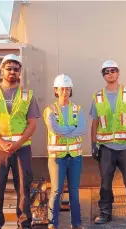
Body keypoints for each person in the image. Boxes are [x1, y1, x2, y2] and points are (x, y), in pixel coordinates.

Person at [0, 54, 41, 229]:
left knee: (24, 189)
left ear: (20, 72)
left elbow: (32, 123)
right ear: (2, 70)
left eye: (16, 69)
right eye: (9, 68)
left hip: (22, 149)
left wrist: (17, 144)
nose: (12, 71)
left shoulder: (27, 95)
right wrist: (1, 142)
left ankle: (24, 224)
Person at [90, 59, 126, 225]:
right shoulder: (98, 96)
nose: (110, 74)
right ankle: (105, 212)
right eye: (106, 72)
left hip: (125, 148)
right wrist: (93, 144)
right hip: (106, 148)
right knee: (105, 183)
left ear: (118, 72)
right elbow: (94, 122)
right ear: (103, 75)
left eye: (113, 70)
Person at [43, 74, 86, 229]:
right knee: (56, 191)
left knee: (74, 191)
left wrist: (65, 130)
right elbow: (54, 130)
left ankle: (76, 223)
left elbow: (81, 129)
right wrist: (71, 129)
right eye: (62, 88)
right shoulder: (50, 110)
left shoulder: (77, 109)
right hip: (57, 158)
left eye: (67, 88)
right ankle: (52, 224)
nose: (65, 91)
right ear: (56, 90)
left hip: (75, 157)